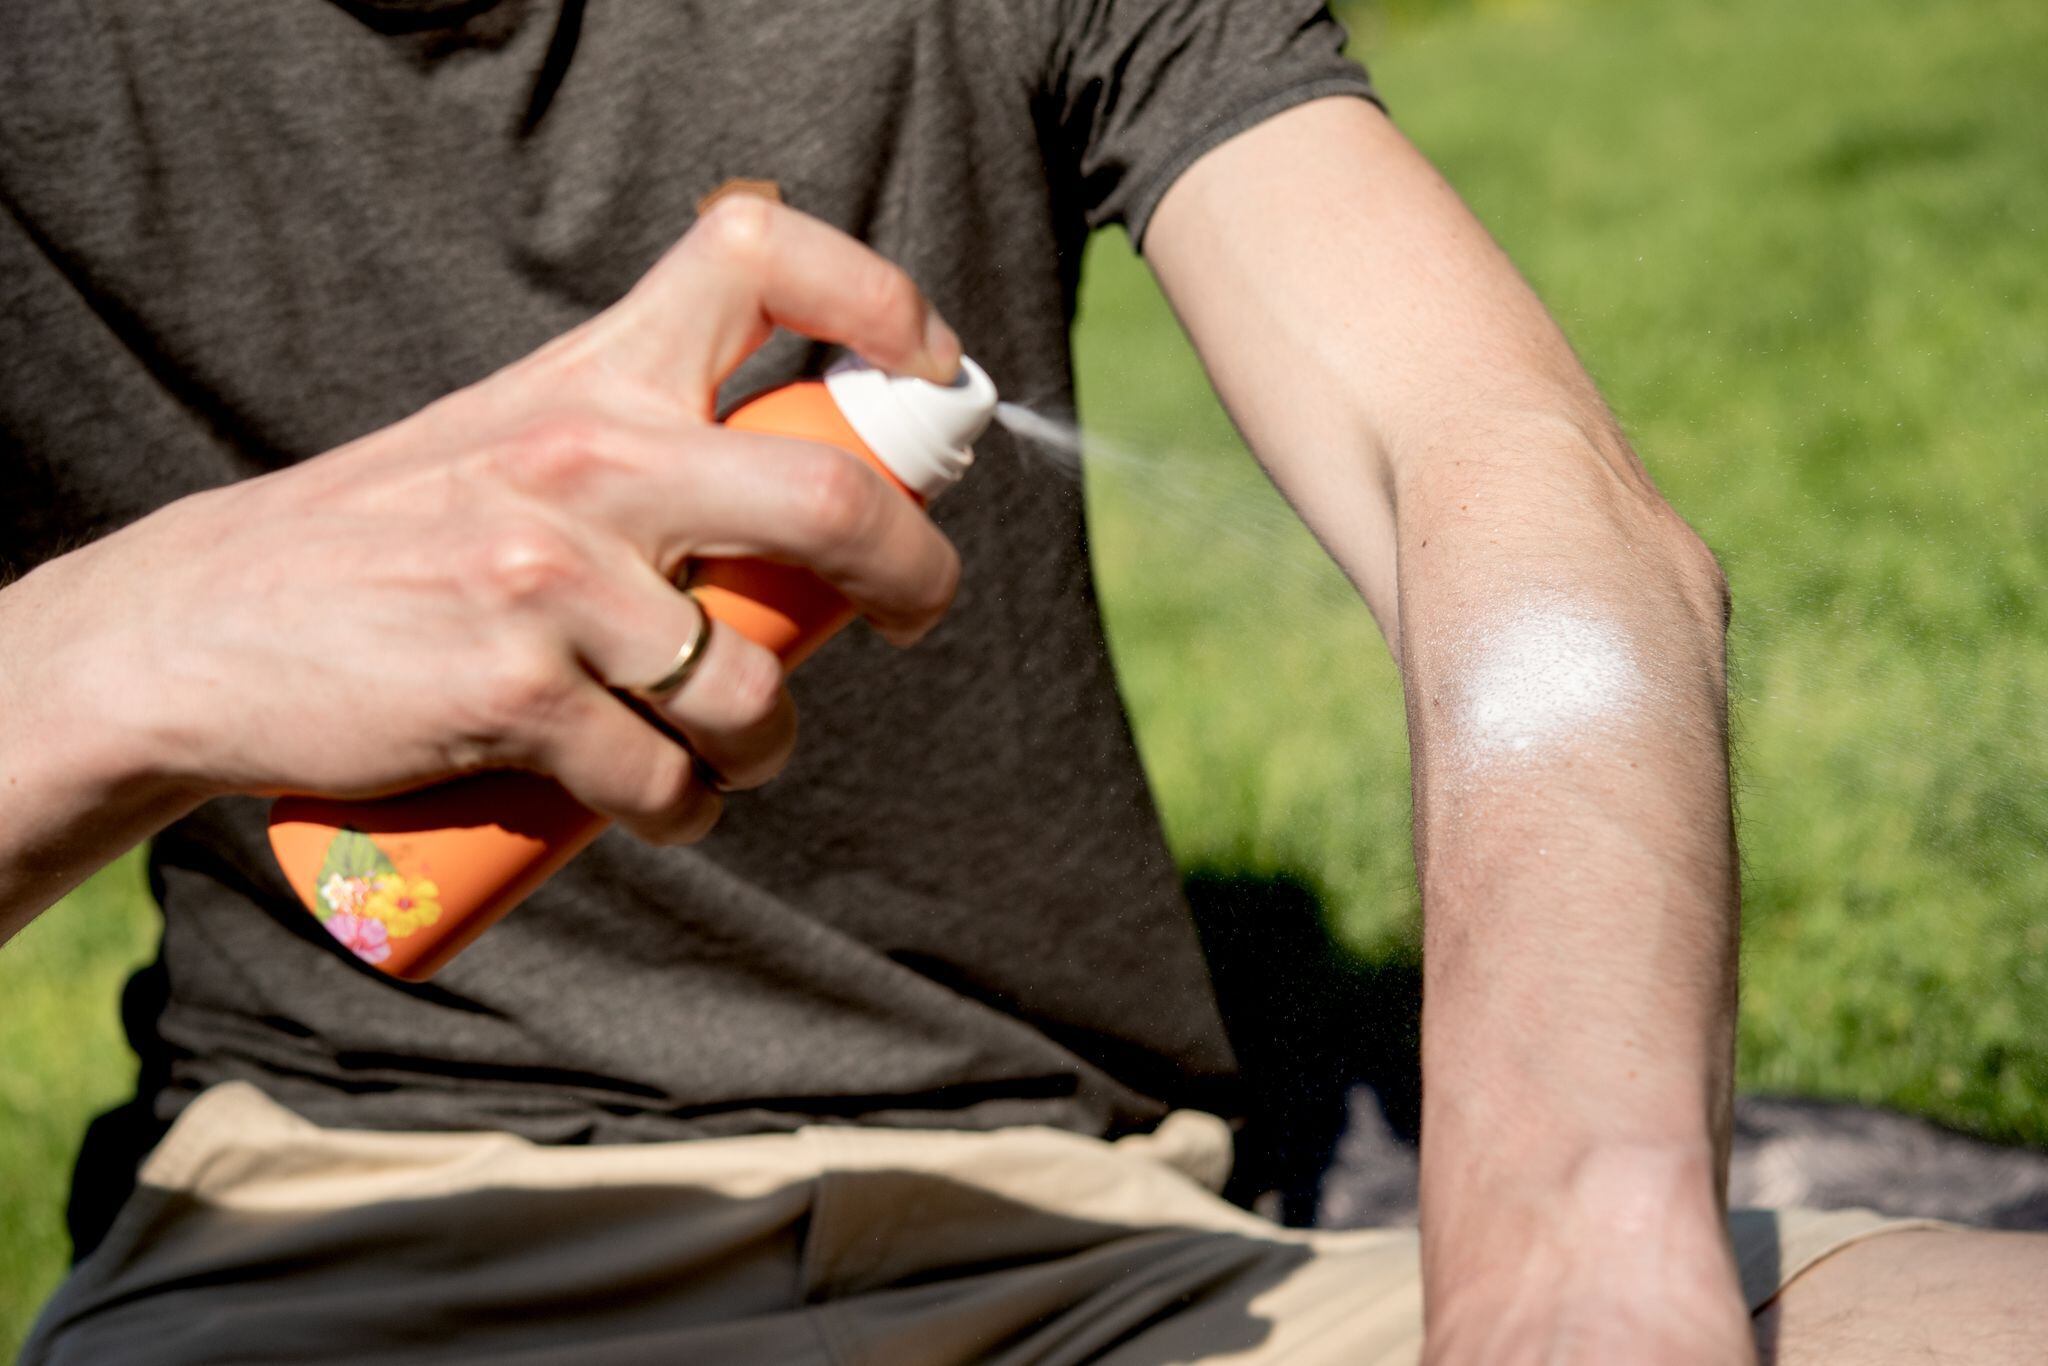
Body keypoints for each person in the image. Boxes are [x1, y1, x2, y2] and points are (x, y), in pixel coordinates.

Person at [1, 2, 2039, 1362]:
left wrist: (1574, 1262)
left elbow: (1507, 489)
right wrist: (128, 647)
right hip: (334, 1245)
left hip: (1083, 1254)